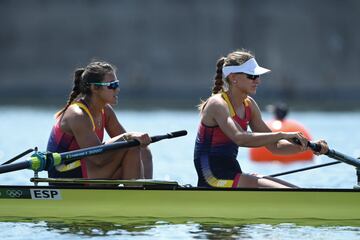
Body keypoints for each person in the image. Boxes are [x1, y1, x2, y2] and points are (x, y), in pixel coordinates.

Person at [193, 49, 328, 188]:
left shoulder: (249, 105)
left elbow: (275, 147)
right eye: (252, 76)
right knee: (288, 194)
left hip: (233, 173)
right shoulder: (217, 104)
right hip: (211, 178)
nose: (257, 80)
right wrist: (282, 134)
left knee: (295, 191)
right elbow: (240, 138)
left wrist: (310, 147)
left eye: (257, 76)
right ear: (234, 77)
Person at [47, 60, 152, 180]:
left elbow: (128, 143)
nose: (117, 90)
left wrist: (134, 139)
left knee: (142, 149)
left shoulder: (105, 110)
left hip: (88, 168)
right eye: (112, 85)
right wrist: (129, 136)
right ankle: (138, 194)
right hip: (65, 174)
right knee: (132, 147)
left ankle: (146, 191)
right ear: (94, 88)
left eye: (117, 84)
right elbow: (97, 158)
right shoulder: (77, 115)